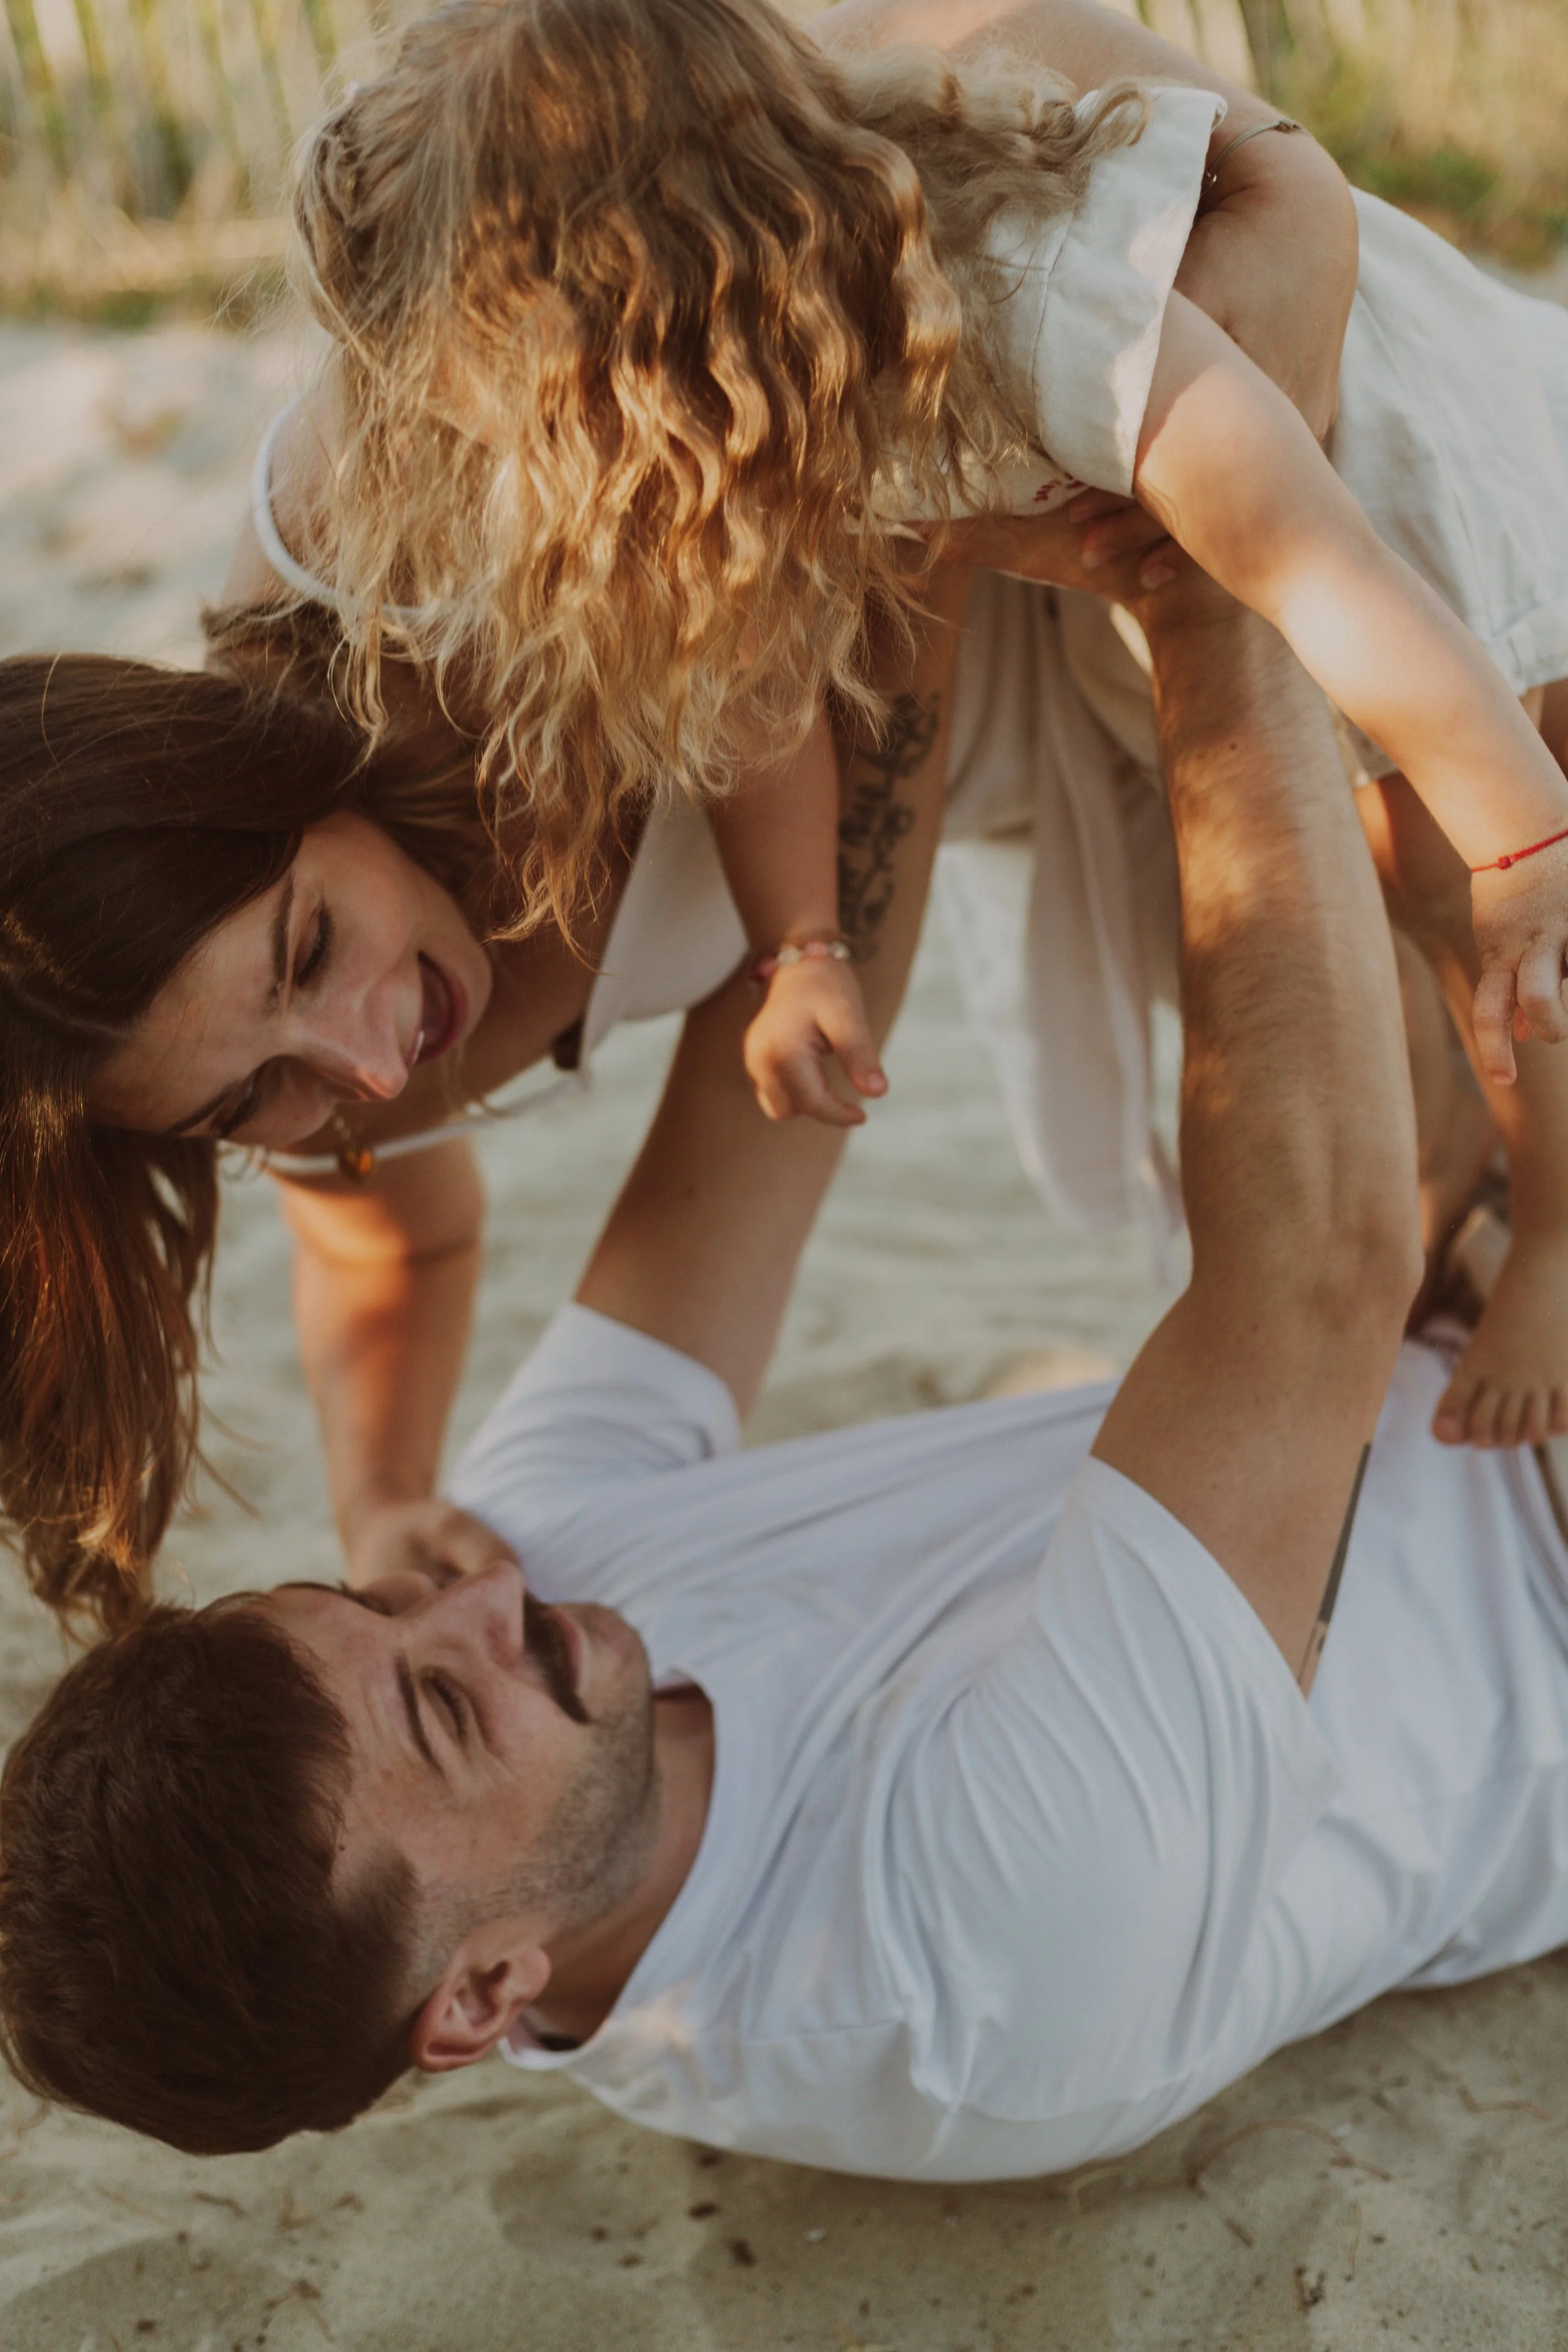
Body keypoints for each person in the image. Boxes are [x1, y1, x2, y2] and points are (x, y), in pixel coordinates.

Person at [14, 560, 1568, 2181]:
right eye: (442, 1702)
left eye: (371, 1603)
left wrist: (898, 559)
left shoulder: (517, 1620)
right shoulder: (962, 1966)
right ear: (477, 1997)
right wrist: (1209, 590)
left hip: (1463, 1276)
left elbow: (808, 1024)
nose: (478, 1595)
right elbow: (1311, 1276)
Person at [0, 0, 1366, 1623]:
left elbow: (800, 109)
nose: (366, 1066)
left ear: (262, 780)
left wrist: (1271, 164)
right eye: (248, 1103)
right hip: (1014, 688)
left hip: (1133, 450)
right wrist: (383, 1496)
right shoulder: (297, 1051)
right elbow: (383, 1238)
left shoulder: (391, 549)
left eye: (306, 951)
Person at [287, 0, 1568, 1450]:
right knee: (1355, 896)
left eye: (529, 416)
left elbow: (1312, 560)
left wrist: (1515, 830)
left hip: (1360, 471)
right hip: (1185, 539)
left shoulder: (1037, 302)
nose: (521, 459)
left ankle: (1554, 1230)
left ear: (651, 313)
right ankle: (1452, 1158)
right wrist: (801, 949)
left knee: (1439, 878)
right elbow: (760, 687)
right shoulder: (737, 406)